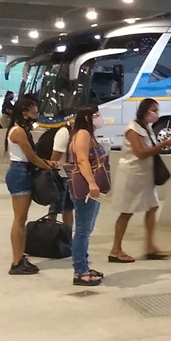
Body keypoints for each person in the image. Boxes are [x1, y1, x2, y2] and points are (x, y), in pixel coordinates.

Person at [108, 99, 171, 263]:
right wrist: (164, 144)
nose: (156, 114)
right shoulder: (133, 129)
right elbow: (140, 152)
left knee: (152, 207)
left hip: (145, 177)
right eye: (154, 110)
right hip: (132, 176)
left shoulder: (146, 128)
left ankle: (150, 246)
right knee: (126, 212)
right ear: (144, 110)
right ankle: (115, 249)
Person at [5, 96, 58, 275]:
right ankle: (16, 262)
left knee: (21, 218)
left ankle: (20, 257)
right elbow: (32, 157)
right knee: (20, 219)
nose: (36, 113)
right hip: (20, 172)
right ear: (24, 112)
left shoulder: (22, 129)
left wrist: (46, 163)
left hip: (22, 171)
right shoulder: (18, 131)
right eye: (34, 110)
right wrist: (49, 166)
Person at [67, 106, 105, 287]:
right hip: (85, 188)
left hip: (88, 188)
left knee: (85, 229)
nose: (100, 118)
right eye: (96, 115)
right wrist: (91, 183)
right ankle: (80, 271)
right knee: (83, 230)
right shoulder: (83, 134)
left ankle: (84, 266)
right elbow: (82, 160)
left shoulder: (87, 134)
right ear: (87, 118)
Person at [49, 125, 75, 229]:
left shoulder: (74, 131)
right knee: (55, 209)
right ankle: (50, 232)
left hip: (69, 176)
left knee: (68, 208)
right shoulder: (64, 132)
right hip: (60, 176)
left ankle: (67, 234)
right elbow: (55, 158)